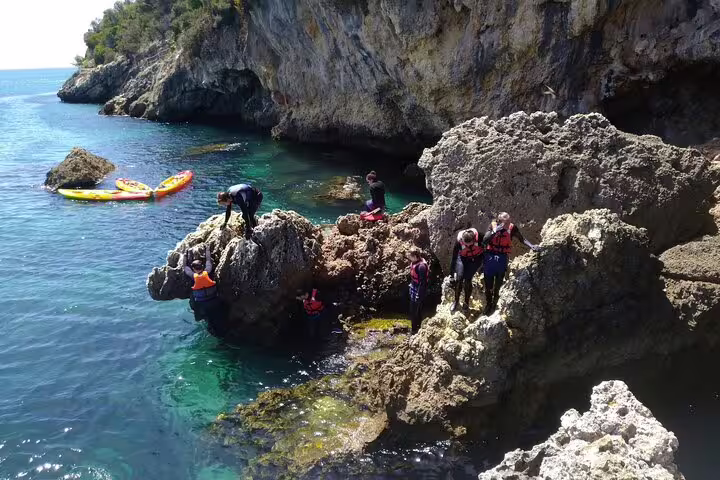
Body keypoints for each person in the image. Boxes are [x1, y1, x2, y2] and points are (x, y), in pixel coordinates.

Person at [482, 212, 541, 315]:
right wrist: (495, 231)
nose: (509, 223)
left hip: (502, 257)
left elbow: (522, 239)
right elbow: (485, 240)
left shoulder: (512, 228)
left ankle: (495, 303)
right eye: (506, 222)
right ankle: (488, 304)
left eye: (509, 221)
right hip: (490, 256)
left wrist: (531, 246)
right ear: (499, 221)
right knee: (488, 284)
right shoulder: (493, 226)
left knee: (499, 283)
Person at [183, 244, 226, 333]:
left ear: (194, 269)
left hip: (202, 304)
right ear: (202, 267)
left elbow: (185, 267)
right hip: (214, 301)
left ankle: (213, 332)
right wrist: (207, 249)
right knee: (219, 319)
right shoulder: (208, 271)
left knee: (209, 321)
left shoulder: (193, 276)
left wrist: (185, 255)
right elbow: (208, 260)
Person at [449, 228, 484, 312]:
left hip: (476, 258)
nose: (468, 246)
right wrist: (451, 275)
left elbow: (487, 250)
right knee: (459, 278)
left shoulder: (480, 237)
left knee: (468, 280)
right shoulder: (459, 242)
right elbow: (454, 258)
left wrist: (484, 265)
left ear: (474, 239)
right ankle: (456, 301)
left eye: (470, 244)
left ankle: (466, 303)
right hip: (463, 258)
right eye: (466, 244)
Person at [408, 248, 429, 334]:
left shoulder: (421, 267)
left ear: (416, 256)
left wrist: (418, 294)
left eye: (410, 256)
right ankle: (415, 328)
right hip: (413, 286)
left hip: (419, 290)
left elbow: (423, 282)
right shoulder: (414, 262)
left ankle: (415, 330)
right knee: (413, 309)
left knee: (416, 310)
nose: (409, 258)